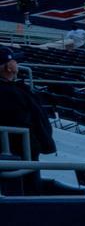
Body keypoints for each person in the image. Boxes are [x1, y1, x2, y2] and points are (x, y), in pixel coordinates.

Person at [0, 50, 57, 192]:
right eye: (15, 61)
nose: (18, 64)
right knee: (30, 190)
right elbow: (22, 124)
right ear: (9, 67)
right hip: (22, 155)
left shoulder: (13, 88)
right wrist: (37, 147)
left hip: (16, 153)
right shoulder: (12, 93)